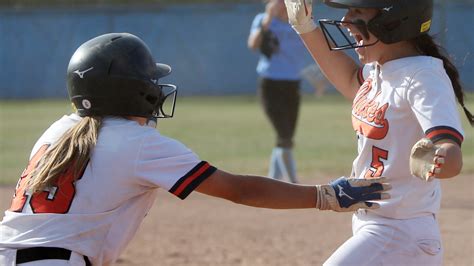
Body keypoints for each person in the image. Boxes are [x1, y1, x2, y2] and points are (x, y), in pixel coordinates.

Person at [0, 33, 390, 266]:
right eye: (149, 82)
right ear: (134, 92)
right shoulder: (138, 144)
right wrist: (326, 196)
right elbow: (239, 189)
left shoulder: (60, 130)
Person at [284, 0, 473, 265]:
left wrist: (437, 157)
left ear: (394, 20)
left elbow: (451, 155)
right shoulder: (381, 68)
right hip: (377, 226)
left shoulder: (423, 78)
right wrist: (305, 27)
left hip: (400, 232)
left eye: (357, 11)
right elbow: (351, 81)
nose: (347, 21)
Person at [247, 0, 310, 183]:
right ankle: (294, 183)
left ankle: (272, 180)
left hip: (293, 84)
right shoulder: (263, 20)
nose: (282, 3)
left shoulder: (299, 23)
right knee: (284, 135)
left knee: (286, 136)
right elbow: (253, 44)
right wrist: (268, 19)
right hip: (270, 84)